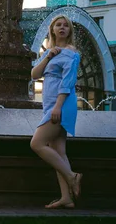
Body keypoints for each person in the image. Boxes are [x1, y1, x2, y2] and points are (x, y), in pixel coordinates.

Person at [29, 14, 82, 209]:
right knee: (59, 151)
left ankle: (72, 176)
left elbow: (68, 82)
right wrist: (48, 56)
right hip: (50, 104)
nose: (61, 28)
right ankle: (66, 198)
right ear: (52, 30)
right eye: (58, 25)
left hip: (62, 103)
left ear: (69, 31)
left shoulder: (71, 52)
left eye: (65, 26)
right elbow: (34, 75)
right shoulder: (51, 52)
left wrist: (58, 106)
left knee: (37, 143)